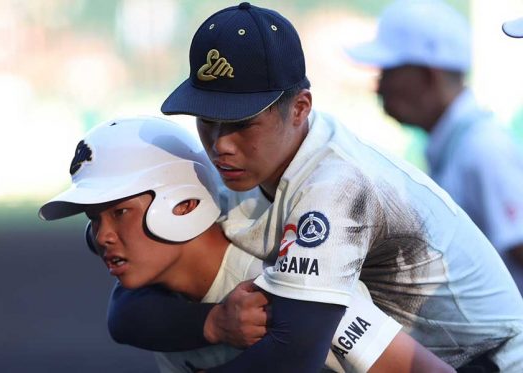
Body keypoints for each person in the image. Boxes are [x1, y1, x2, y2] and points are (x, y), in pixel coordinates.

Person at [109, 2, 523, 371]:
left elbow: (294, 354)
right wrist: (213, 322)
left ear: (300, 108)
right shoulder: (244, 165)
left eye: (241, 122)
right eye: (207, 119)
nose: (220, 143)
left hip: (487, 360)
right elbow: (126, 308)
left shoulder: (338, 186)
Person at [39, 116, 453, 373]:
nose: (102, 236)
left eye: (119, 212)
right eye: (94, 220)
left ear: (183, 204)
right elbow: (123, 319)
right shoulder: (163, 302)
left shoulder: (286, 283)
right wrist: (213, 323)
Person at [345, 0, 523, 293]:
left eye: (388, 71)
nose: (379, 86)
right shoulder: (457, 144)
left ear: (428, 76)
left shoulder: (482, 149)